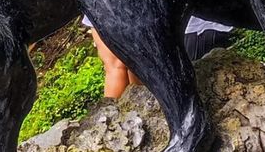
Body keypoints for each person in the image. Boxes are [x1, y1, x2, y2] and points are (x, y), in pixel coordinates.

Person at [83, 15, 234, 98]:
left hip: (196, 28)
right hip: (179, 26)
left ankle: (115, 121)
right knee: (131, 65)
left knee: (119, 67)